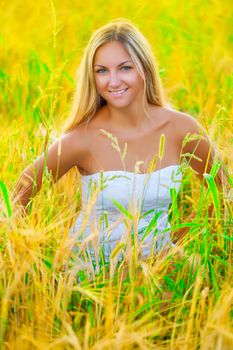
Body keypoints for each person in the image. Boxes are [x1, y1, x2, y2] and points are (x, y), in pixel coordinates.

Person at [13, 18, 227, 271]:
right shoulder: (82, 139)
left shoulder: (180, 129)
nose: (113, 82)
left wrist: (185, 238)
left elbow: (225, 191)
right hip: (95, 273)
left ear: (144, 68)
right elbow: (17, 197)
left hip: (158, 268)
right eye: (101, 71)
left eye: (124, 68)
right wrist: (29, 261)